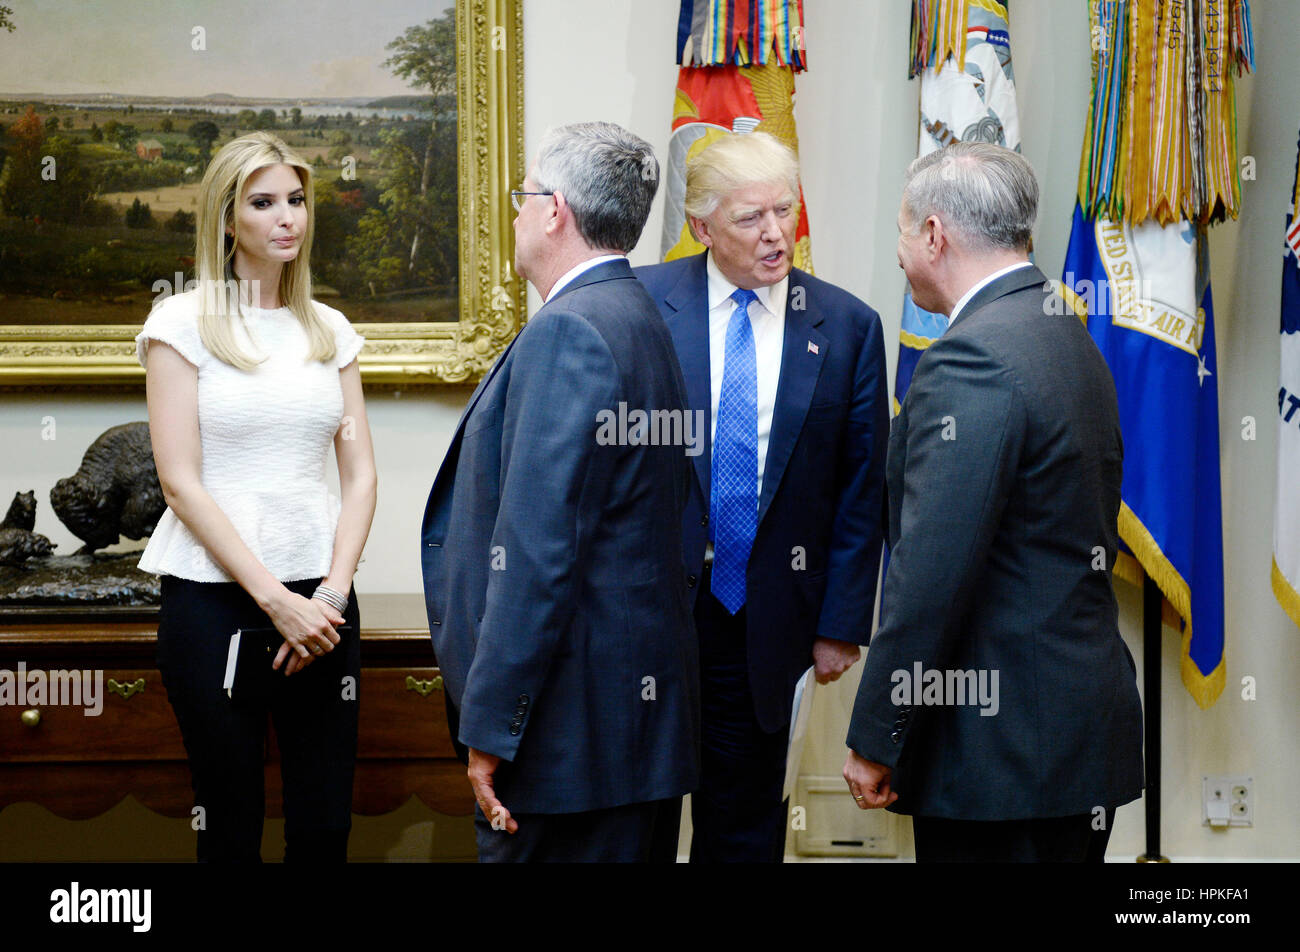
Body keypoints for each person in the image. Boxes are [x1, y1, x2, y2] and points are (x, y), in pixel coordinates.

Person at [842, 141, 1144, 862]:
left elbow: (932, 574)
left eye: (903, 231)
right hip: (1066, 733)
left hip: (999, 752)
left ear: (935, 235)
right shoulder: (1064, 330)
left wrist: (876, 732)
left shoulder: (971, 356)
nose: (901, 250)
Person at [420, 122, 699, 863]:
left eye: (524, 196)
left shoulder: (570, 332)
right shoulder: (639, 315)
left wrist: (492, 728)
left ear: (555, 210)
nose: (516, 214)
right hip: (625, 737)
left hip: (566, 745)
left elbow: (536, 552)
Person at [636, 131, 890, 862]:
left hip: (768, 621)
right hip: (656, 618)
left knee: (744, 829)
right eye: (751, 218)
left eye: (785, 209)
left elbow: (859, 488)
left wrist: (843, 620)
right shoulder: (643, 306)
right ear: (701, 226)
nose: (776, 233)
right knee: (639, 822)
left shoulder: (844, 326)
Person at [137, 131, 377, 862]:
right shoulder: (181, 323)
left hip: (325, 606)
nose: (287, 218)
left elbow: (361, 474)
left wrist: (329, 597)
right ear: (227, 217)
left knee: (323, 825)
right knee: (231, 826)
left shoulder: (329, 329)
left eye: (297, 201)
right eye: (264, 202)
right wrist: (276, 601)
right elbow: (179, 481)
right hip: (216, 603)